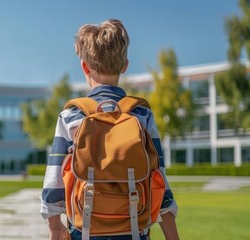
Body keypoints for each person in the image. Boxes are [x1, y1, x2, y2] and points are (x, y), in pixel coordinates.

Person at [40, 19, 180, 240]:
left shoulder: (71, 116)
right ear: (124, 65)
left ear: (84, 66)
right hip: (134, 230)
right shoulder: (142, 115)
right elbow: (159, 179)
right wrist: (172, 236)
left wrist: (55, 227)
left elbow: (54, 182)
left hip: (84, 230)